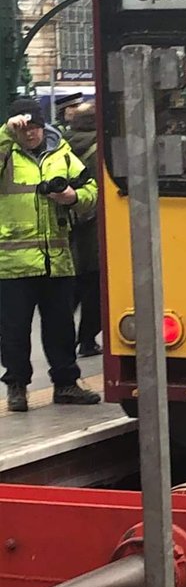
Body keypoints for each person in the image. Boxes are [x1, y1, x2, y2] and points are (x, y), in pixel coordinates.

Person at [0, 97, 101, 412]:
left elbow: (92, 191)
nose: (29, 134)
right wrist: (5, 134)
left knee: (60, 326)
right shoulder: (6, 154)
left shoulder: (63, 154)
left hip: (57, 260)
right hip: (13, 264)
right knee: (14, 330)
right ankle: (17, 387)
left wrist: (73, 197)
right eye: (23, 128)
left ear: (43, 126)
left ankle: (66, 383)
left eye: (34, 127)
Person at [66, 102, 102, 356]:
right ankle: (87, 340)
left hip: (67, 230)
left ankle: (64, 339)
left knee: (71, 291)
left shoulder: (61, 147)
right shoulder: (102, 149)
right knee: (95, 289)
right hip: (95, 232)